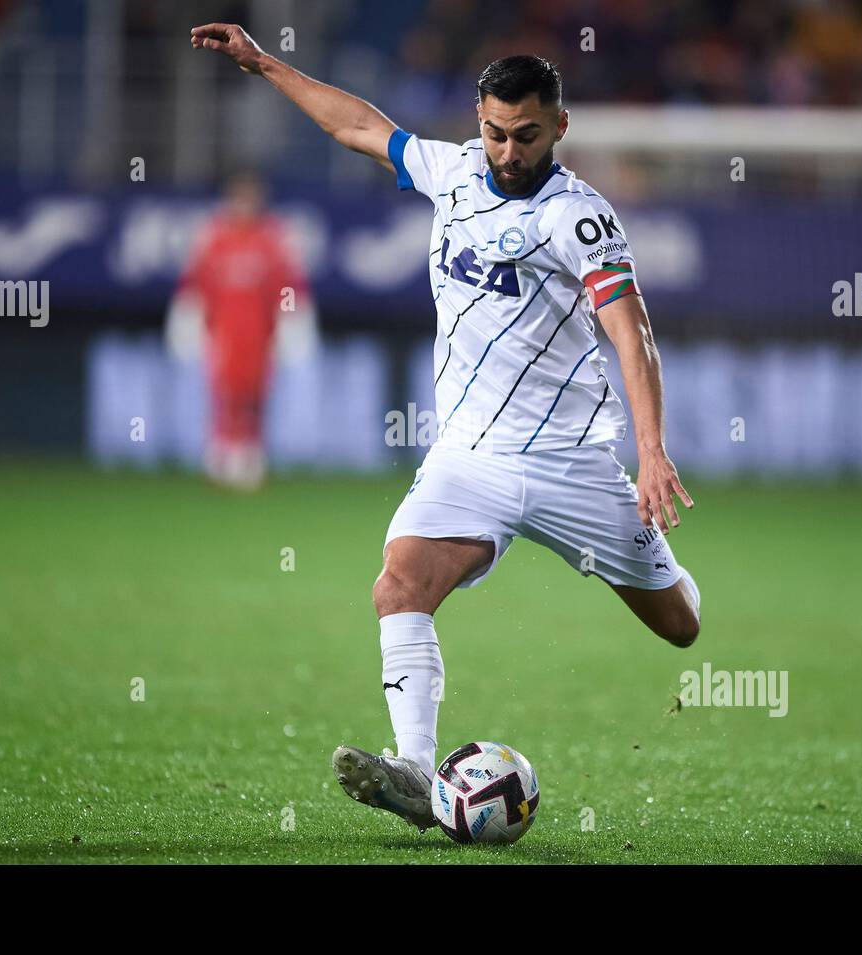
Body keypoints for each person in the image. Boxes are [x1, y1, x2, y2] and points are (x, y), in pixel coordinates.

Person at [191, 23, 701, 832]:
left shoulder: (581, 218)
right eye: (495, 132)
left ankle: (645, 564)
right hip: (472, 458)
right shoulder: (452, 172)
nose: (507, 150)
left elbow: (630, 332)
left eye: (526, 134)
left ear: (559, 127)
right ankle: (416, 772)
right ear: (478, 120)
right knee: (399, 582)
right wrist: (263, 63)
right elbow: (355, 124)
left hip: (574, 461)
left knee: (681, 625)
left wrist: (650, 452)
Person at [173, 170, 312, 489]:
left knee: (254, 393)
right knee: (223, 391)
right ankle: (220, 455)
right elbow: (196, 284)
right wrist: (186, 319)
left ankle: (249, 456)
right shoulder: (215, 237)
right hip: (223, 330)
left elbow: (287, 286)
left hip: (259, 333)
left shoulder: (271, 239)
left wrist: (292, 323)